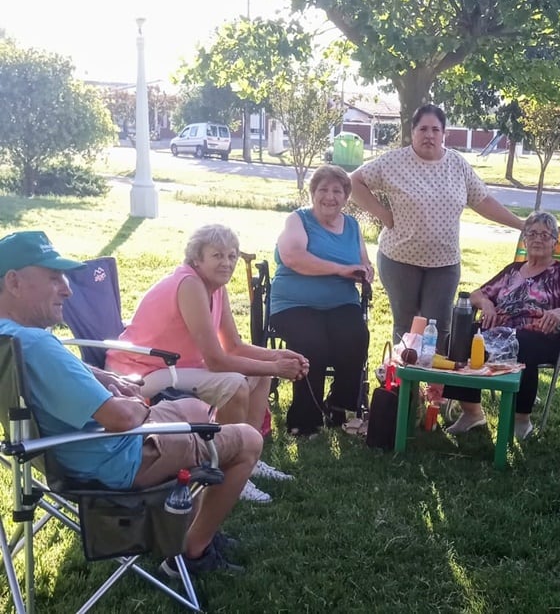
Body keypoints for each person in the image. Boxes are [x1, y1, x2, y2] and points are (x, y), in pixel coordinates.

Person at [0, 230, 257, 575]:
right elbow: (121, 418)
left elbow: (63, 369)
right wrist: (139, 402)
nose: (67, 288)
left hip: (69, 454)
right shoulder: (37, 344)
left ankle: (188, 525)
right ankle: (192, 551)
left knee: (197, 410)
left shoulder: (12, 338)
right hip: (116, 459)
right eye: (53, 278)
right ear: (14, 282)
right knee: (248, 440)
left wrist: (105, 378)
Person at [106, 224, 309, 503]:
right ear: (196, 259)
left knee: (258, 377)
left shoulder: (216, 288)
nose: (227, 263)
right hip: (141, 370)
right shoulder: (190, 284)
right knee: (236, 383)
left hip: (175, 366)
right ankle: (227, 468)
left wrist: (277, 357)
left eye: (232, 256)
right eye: (217, 256)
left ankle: (248, 460)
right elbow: (216, 360)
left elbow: (234, 346)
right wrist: (276, 368)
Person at [350, 104, 525, 349]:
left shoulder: (457, 164)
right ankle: (405, 387)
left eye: (435, 129)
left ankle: (435, 387)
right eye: (423, 129)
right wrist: (382, 214)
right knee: (406, 328)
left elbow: (483, 200)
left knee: (439, 329)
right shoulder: (393, 162)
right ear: (413, 132)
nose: (429, 135)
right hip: (400, 259)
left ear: (444, 134)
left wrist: (520, 224)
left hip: (444, 264)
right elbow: (354, 182)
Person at [443, 212, 560, 440]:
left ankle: (522, 419)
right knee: (458, 339)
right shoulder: (512, 270)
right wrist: (487, 305)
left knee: (522, 344)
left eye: (544, 234)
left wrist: (559, 312)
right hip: (499, 334)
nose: (538, 239)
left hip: (545, 335)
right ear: (524, 240)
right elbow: (476, 295)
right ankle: (472, 412)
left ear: (554, 242)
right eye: (532, 234)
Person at [270, 164, 372, 437]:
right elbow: (293, 257)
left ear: (345, 197)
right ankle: (303, 419)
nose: (330, 196)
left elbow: (364, 262)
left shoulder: (352, 225)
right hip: (294, 304)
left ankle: (338, 407)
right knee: (312, 344)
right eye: (323, 189)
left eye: (337, 191)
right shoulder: (298, 220)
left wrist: (366, 272)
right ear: (313, 193)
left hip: (341, 303)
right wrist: (339, 269)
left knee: (355, 337)